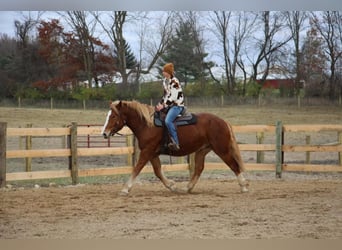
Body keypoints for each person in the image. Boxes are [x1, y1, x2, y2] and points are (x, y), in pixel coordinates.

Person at [155, 62, 184, 151]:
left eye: (164, 71)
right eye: (163, 71)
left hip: (177, 106)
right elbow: (166, 95)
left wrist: (163, 106)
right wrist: (160, 103)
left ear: (169, 72)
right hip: (169, 105)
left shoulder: (175, 81)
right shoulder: (165, 81)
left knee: (168, 121)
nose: (163, 72)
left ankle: (176, 142)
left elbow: (173, 97)